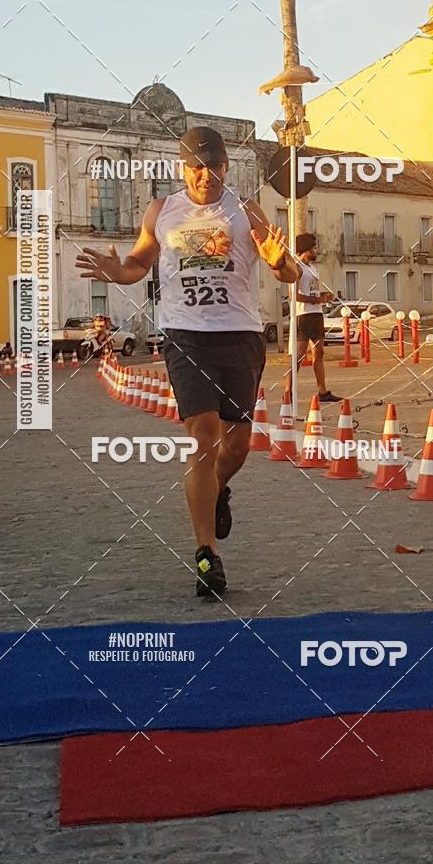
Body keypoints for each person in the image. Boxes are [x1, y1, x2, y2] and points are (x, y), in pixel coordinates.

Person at [76, 126, 298, 600]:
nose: (205, 176)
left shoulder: (246, 210)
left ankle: (217, 490)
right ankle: (206, 553)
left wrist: (280, 263)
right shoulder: (163, 210)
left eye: (213, 166)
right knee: (203, 435)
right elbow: (138, 263)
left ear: (224, 167)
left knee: (237, 447)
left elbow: (290, 270)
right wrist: (119, 273)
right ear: (183, 169)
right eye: (196, 167)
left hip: (240, 335)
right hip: (185, 336)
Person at [286, 232, 339, 404]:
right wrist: (317, 299)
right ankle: (288, 391)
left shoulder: (312, 268)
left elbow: (310, 291)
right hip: (304, 315)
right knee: (300, 355)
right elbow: (293, 295)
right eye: (314, 247)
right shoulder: (297, 267)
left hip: (316, 313)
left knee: (319, 353)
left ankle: (322, 391)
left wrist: (322, 296)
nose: (316, 250)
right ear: (306, 249)